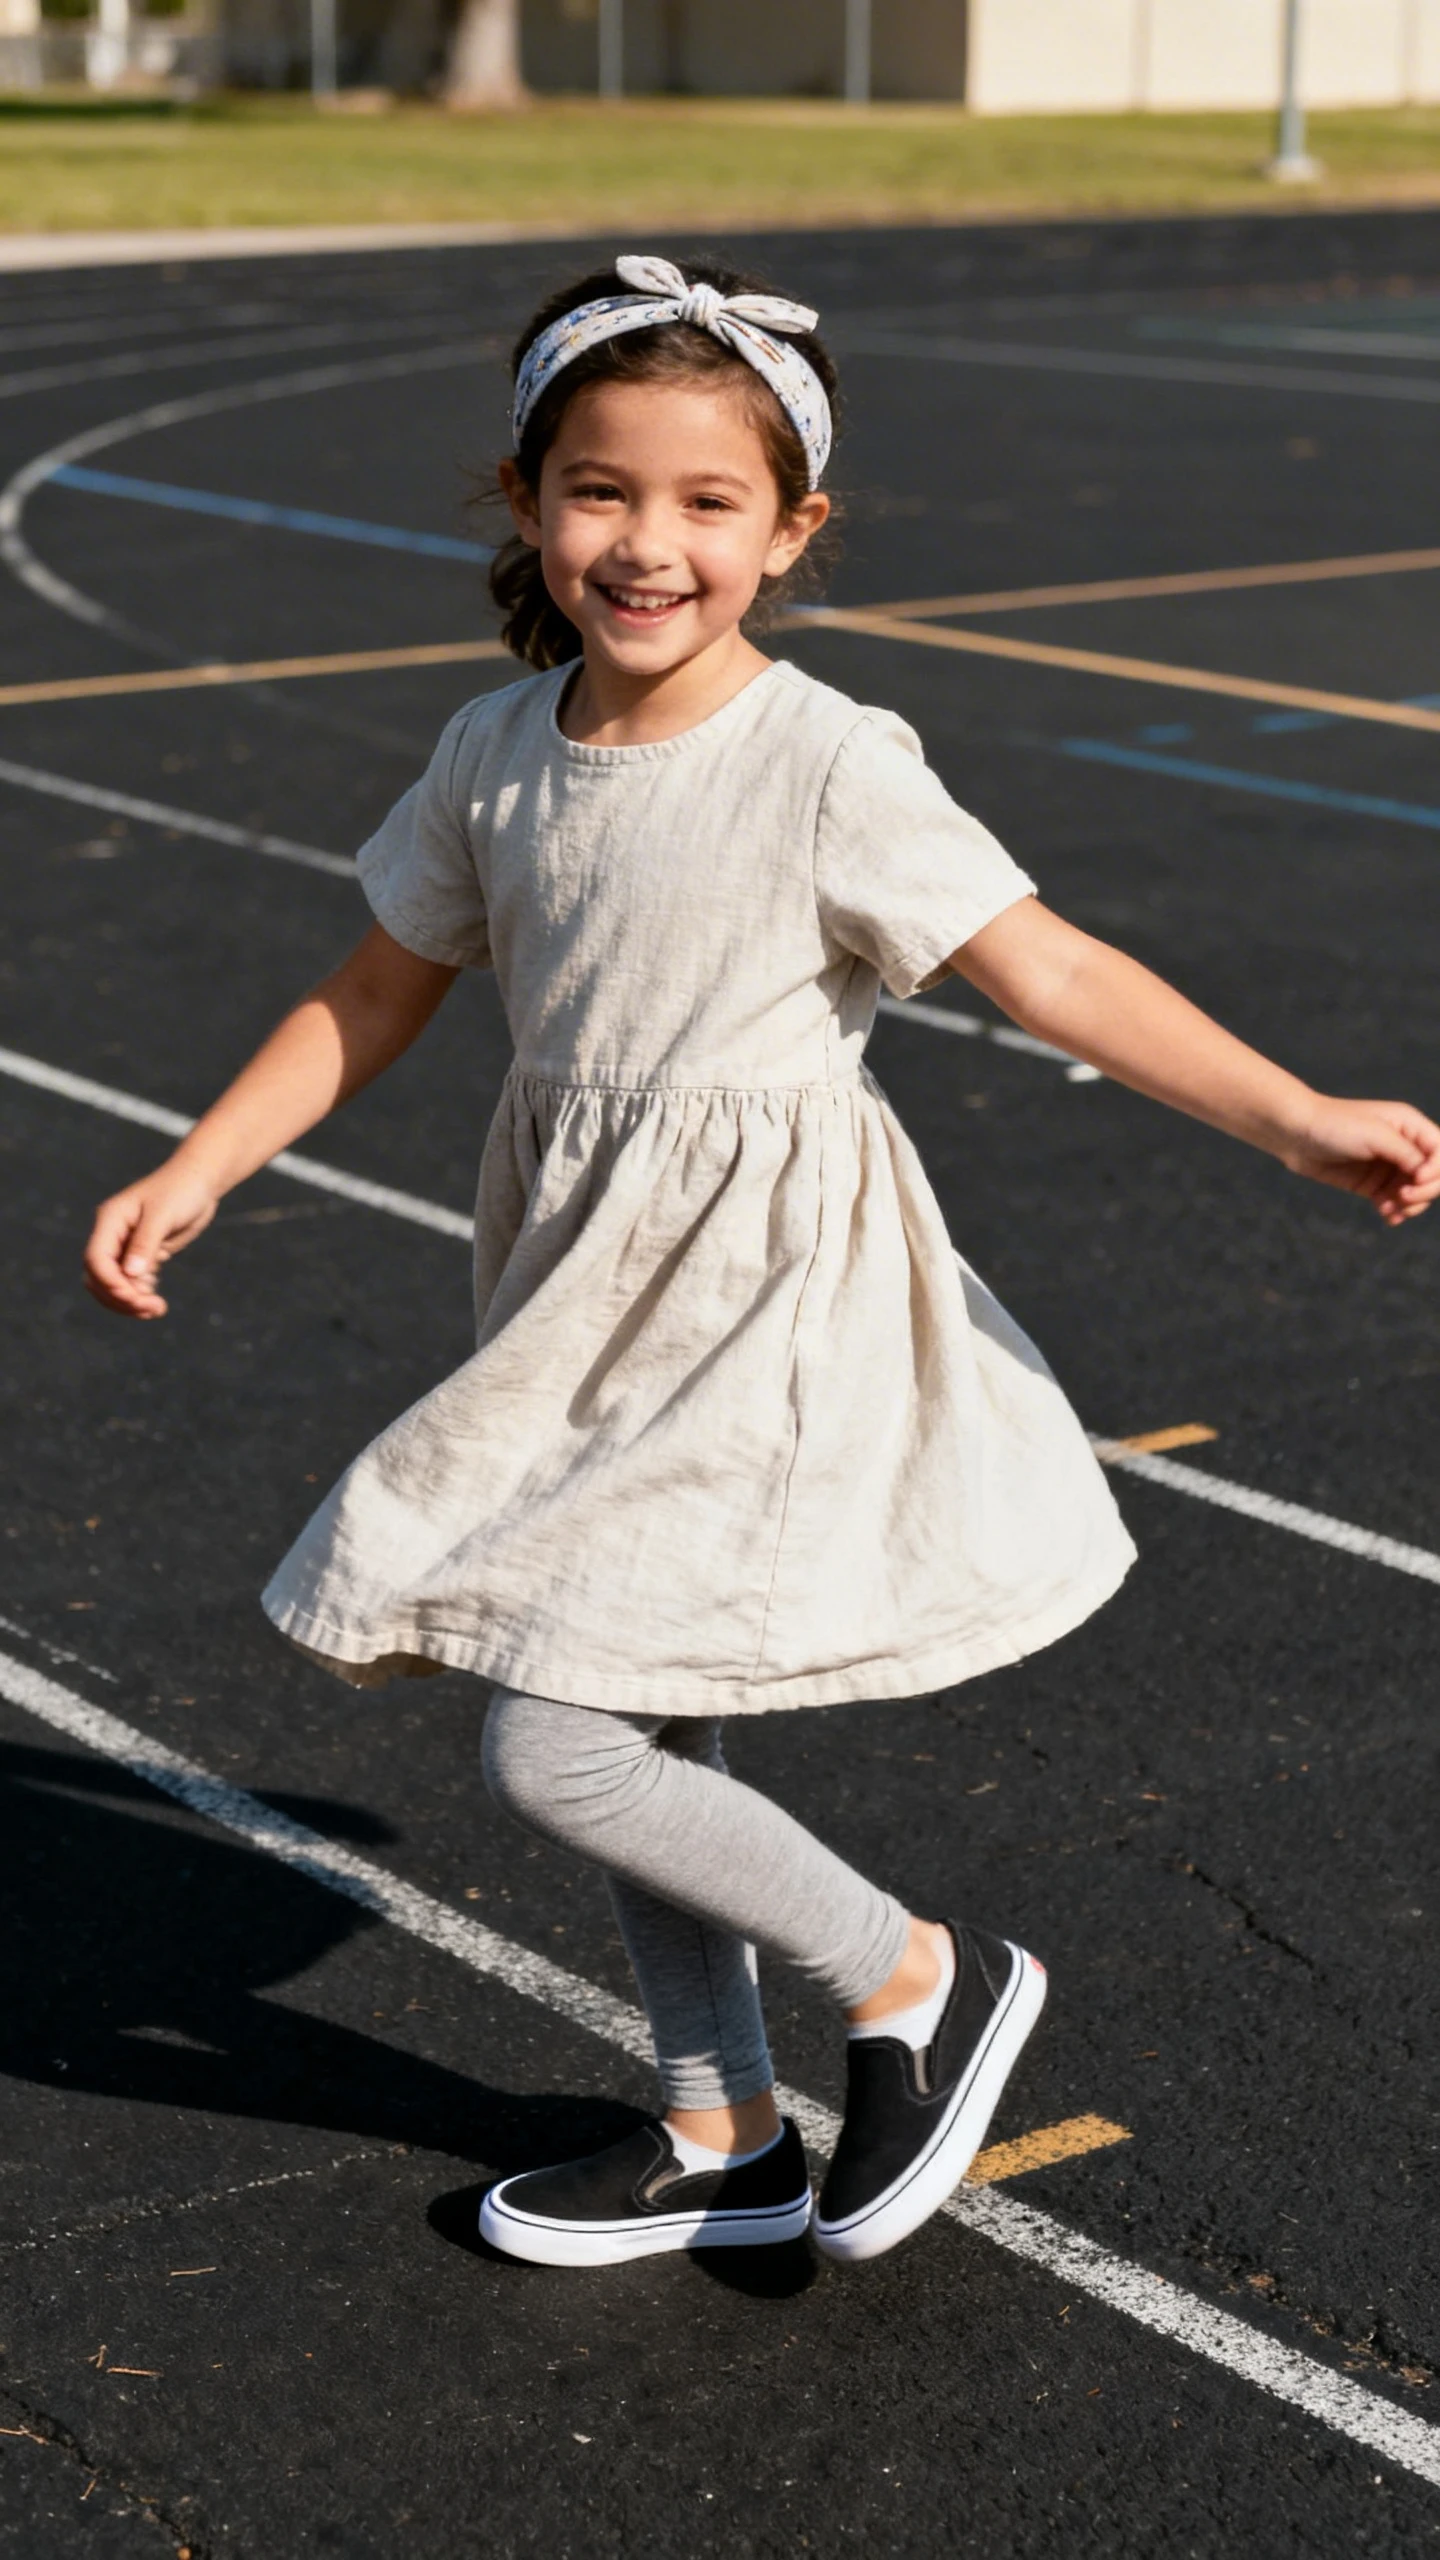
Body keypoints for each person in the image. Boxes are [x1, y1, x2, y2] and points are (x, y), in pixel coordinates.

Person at [85, 255, 1440, 2274]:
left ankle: (920, 1974)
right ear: (529, 501)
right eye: (601, 490)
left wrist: (1292, 1113)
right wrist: (204, 1159)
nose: (648, 542)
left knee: (558, 1730)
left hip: (759, 1291)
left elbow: (1041, 963)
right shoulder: (494, 750)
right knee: (649, 1705)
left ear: (789, 530)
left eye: (709, 502)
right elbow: (375, 986)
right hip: (579, 1279)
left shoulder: (825, 760)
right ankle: (718, 2122)